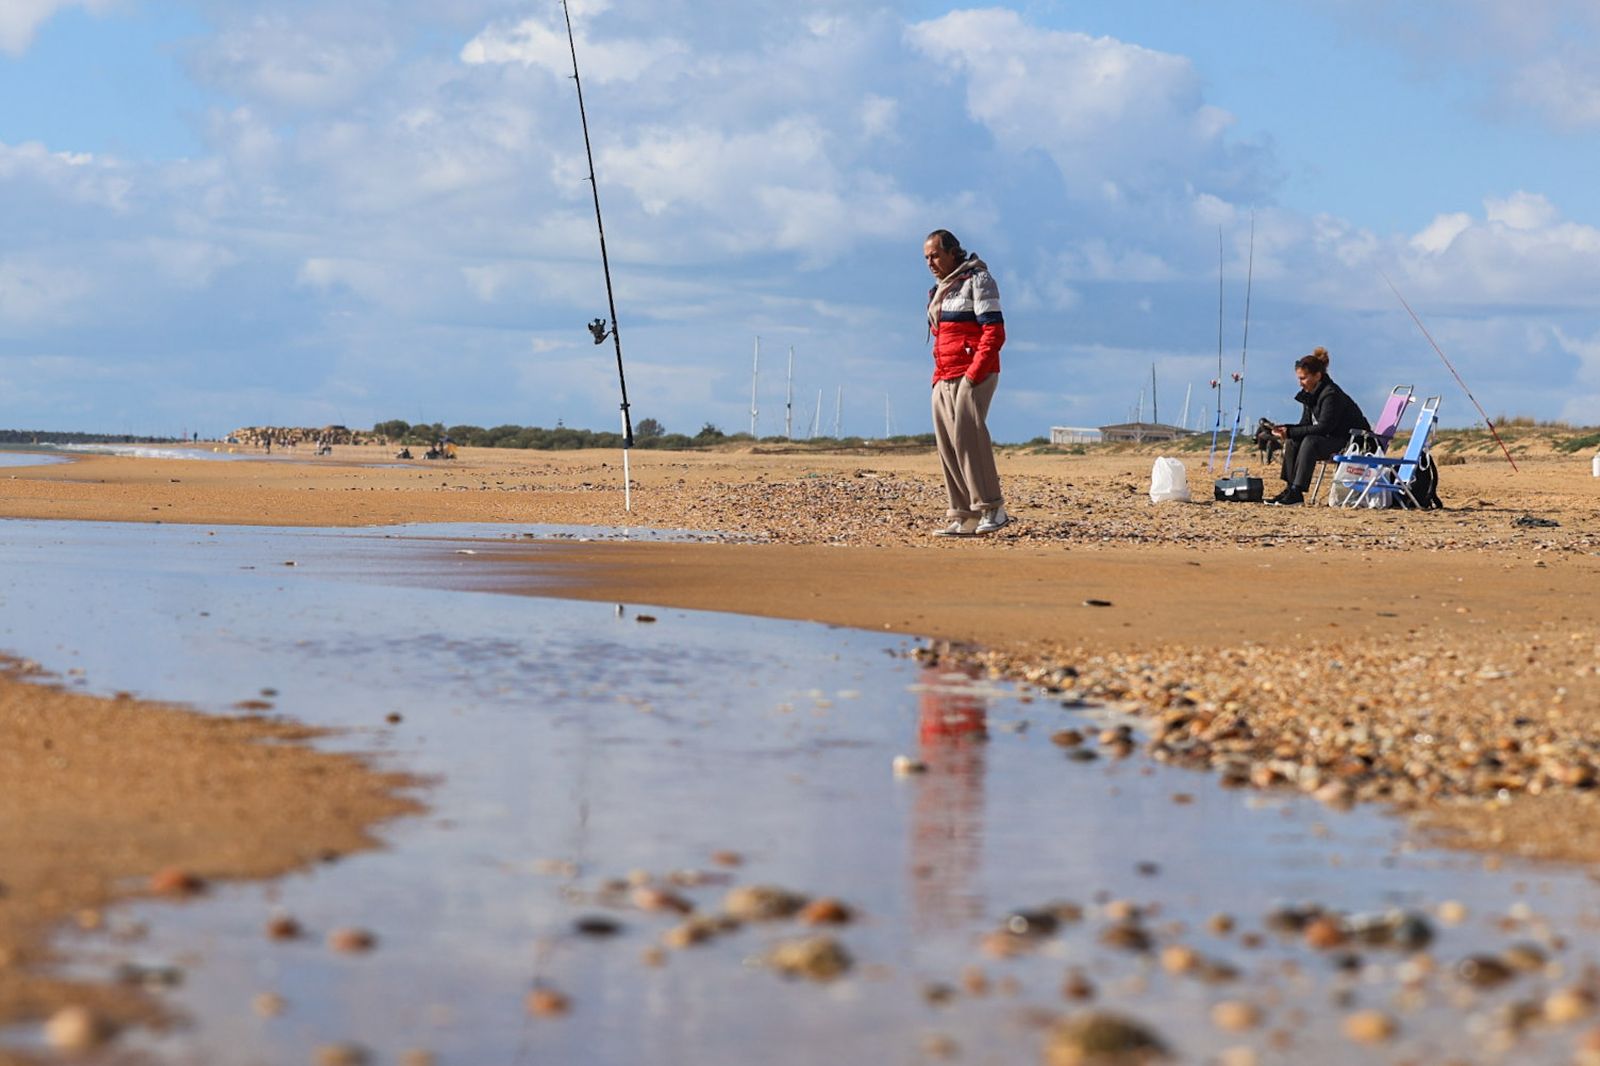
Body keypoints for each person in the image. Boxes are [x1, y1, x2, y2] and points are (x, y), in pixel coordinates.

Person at [923, 228, 1008, 536]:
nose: (930, 262)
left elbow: (994, 332)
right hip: (943, 375)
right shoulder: (937, 291)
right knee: (948, 445)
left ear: (952, 252)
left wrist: (974, 374)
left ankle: (992, 509)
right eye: (927, 257)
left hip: (974, 373)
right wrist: (938, 380)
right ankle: (964, 515)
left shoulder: (978, 281)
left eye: (935, 255)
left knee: (969, 439)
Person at [1268, 347, 1370, 506]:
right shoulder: (1311, 393)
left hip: (1354, 443)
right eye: (1299, 378)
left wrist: (1291, 431)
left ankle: (1297, 490)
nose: (1300, 383)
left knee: (1310, 441)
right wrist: (1286, 430)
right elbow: (1305, 425)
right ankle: (1291, 489)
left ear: (1317, 376)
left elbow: (1324, 428)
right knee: (1293, 441)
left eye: (1303, 378)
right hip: (1335, 439)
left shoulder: (1331, 394)